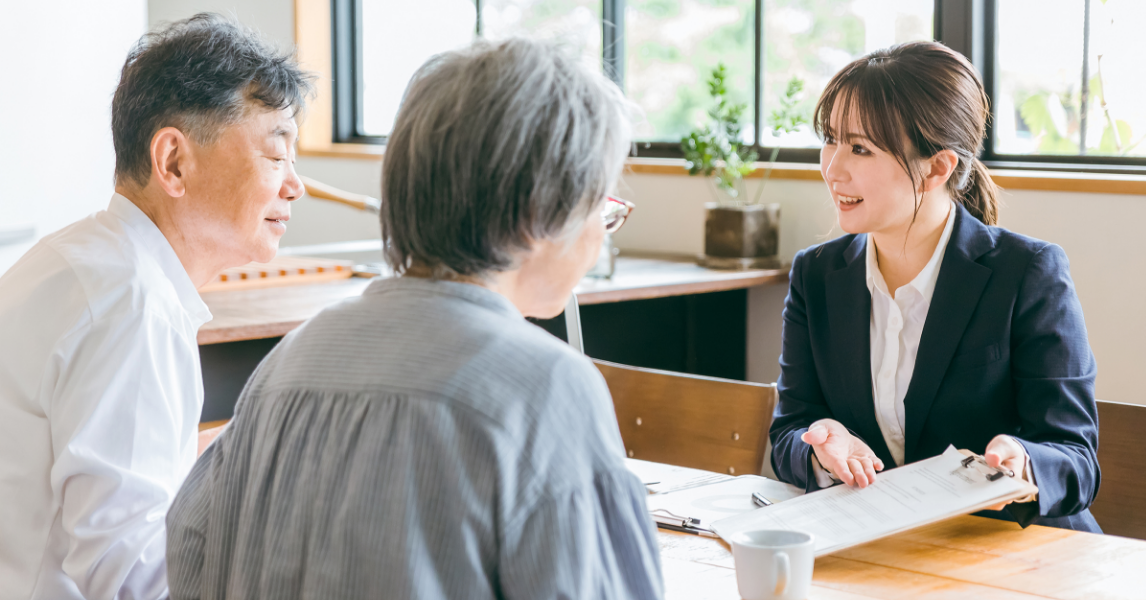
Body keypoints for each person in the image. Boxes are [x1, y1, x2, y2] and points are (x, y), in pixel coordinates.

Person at [165, 38, 663, 599]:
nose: (602, 229)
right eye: (602, 205)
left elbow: (187, 556)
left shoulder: (289, 363)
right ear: (540, 211)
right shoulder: (546, 388)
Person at [0, 14, 311, 599]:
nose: (297, 186)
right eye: (277, 156)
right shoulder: (132, 307)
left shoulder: (87, 259)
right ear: (173, 161)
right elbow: (134, 580)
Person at [769, 41, 1101, 532]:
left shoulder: (1029, 272)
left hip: (1015, 550)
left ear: (938, 167)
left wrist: (1023, 460)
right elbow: (789, 431)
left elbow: (1076, 457)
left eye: (860, 148)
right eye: (830, 139)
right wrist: (821, 448)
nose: (832, 167)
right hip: (883, 548)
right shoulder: (816, 275)